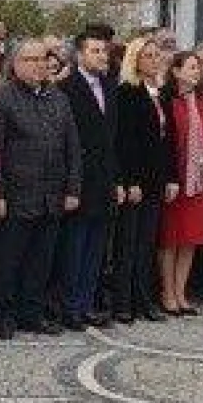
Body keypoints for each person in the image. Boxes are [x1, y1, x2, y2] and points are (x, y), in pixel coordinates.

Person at [0, 41, 80, 338]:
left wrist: (72, 188)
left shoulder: (58, 98)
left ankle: (32, 312)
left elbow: (72, 147)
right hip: (16, 194)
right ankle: (2, 313)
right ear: (15, 64)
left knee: (41, 260)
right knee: (8, 259)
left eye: (42, 59)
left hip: (52, 194)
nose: (38, 65)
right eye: (30, 59)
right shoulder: (2, 98)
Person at [57, 28, 121, 327]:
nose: (101, 55)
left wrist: (117, 180)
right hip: (79, 180)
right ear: (80, 54)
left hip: (104, 180)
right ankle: (69, 306)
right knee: (74, 247)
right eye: (94, 51)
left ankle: (85, 303)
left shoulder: (110, 86)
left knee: (96, 248)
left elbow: (115, 138)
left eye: (103, 51)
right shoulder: (66, 88)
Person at [110, 37, 178, 321]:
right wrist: (131, 180)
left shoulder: (162, 93)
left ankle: (143, 299)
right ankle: (123, 302)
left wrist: (171, 177)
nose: (153, 60)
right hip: (135, 179)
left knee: (147, 243)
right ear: (135, 60)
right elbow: (125, 141)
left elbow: (169, 139)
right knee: (127, 243)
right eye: (147, 55)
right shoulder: (127, 92)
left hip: (156, 177)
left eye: (156, 55)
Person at [158, 51, 203, 316]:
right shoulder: (167, 101)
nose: (197, 72)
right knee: (170, 239)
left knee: (191, 239)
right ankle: (167, 291)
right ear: (176, 71)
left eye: (198, 67)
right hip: (177, 179)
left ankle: (182, 292)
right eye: (192, 67)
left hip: (200, 180)